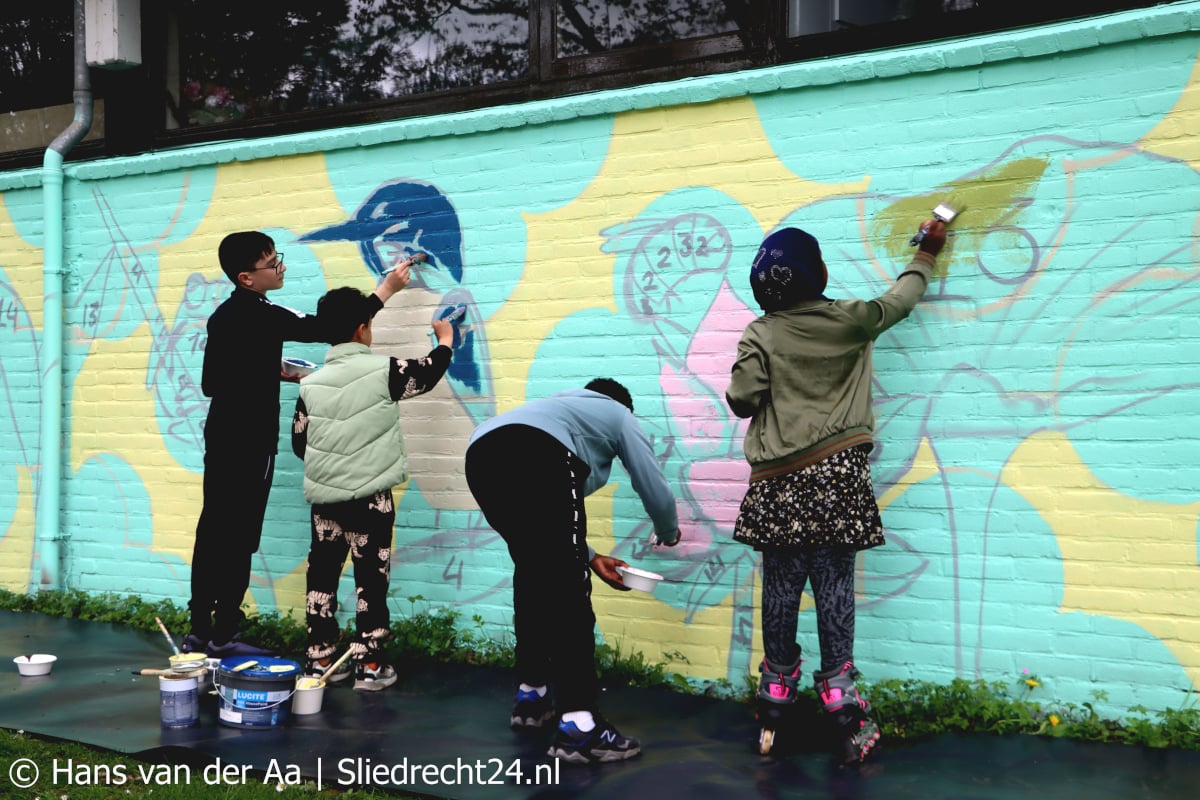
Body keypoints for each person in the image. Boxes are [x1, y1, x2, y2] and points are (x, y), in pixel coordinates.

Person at [725, 218, 948, 762]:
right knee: (834, 587)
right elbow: (902, 298)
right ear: (818, 272)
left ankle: (775, 693)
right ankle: (841, 700)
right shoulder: (852, 319)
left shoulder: (761, 332)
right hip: (837, 478)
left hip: (777, 482)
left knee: (779, 587)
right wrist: (926, 251)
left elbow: (742, 398)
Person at [183, 231, 409, 657]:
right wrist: (386, 290)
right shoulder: (263, 312)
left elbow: (212, 382)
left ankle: (200, 630)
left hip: (222, 434)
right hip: (251, 440)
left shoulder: (223, 317)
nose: (280, 266)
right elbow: (329, 329)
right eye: (272, 262)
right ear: (247, 278)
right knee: (241, 535)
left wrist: (272, 368)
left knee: (214, 529)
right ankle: (225, 631)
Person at [464, 379, 682, 764]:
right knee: (568, 593)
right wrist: (668, 531)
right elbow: (652, 482)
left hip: (481, 456)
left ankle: (532, 698)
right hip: (538, 456)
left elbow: (551, 533)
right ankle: (581, 726)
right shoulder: (617, 413)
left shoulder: (556, 408)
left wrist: (591, 555)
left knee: (533, 571)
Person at [291, 283, 454, 691]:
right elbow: (427, 374)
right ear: (364, 329)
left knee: (322, 576)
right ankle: (370, 664)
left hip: (325, 501)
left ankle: (319, 660)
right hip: (371, 501)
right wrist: (445, 342)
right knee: (371, 579)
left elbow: (300, 442)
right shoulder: (385, 371)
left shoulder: (310, 384)